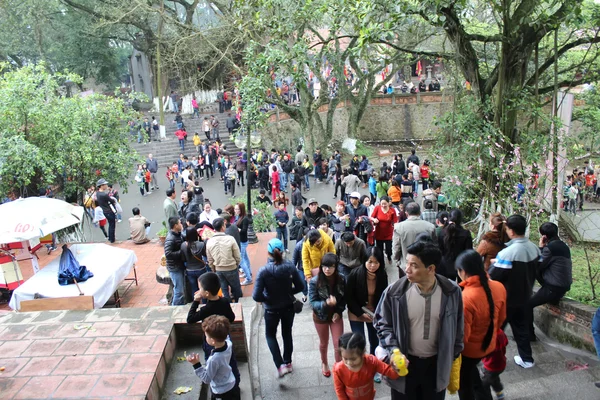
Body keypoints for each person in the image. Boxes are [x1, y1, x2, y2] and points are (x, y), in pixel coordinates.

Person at [374, 240, 464, 400]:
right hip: (405, 364)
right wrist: (393, 351)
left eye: (414, 265)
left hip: (436, 366)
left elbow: (458, 325)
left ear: (430, 269)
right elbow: (381, 323)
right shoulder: (394, 292)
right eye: (407, 263)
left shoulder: (451, 292)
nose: (406, 269)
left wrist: (453, 353)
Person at [455, 250, 507, 400]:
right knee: (472, 375)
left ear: (462, 271)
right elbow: (502, 318)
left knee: (464, 384)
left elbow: (462, 337)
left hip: (470, 351)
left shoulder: (466, 297)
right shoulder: (498, 286)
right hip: (489, 344)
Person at [489, 214, 540, 369]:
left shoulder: (508, 253)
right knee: (522, 330)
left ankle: (486, 359)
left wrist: (495, 264)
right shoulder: (534, 248)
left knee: (494, 330)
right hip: (525, 297)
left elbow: (493, 276)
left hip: (506, 300)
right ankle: (527, 360)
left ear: (510, 231)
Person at [253, 238, 305, 377]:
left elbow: (256, 296)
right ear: (282, 252)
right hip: (288, 306)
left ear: (268, 252)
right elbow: (301, 286)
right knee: (286, 333)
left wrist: (268, 298)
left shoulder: (263, 271)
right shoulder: (290, 267)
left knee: (270, 335)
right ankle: (288, 362)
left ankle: (280, 365)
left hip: (271, 309)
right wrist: (288, 292)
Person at [345, 247, 389, 383]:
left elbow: (384, 296)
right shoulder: (354, 274)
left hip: (373, 313)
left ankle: (373, 367)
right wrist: (360, 313)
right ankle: (361, 366)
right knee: (359, 340)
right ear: (364, 261)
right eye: (370, 262)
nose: (372, 265)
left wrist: (378, 313)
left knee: (374, 340)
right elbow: (349, 297)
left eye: (376, 262)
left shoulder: (382, 275)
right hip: (356, 311)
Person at [529, 222, 572, 341]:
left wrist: (541, 247)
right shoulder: (563, 246)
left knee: (527, 306)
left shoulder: (550, 248)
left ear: (544, 237)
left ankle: (530, 336)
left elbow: (538, 264)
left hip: (553, 287)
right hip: (562, 285)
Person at [309, 252, 346, 378]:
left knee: (338, 343)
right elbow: (312, 302)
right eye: (324, 266)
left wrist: (338, 311)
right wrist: (326, 303)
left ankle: (338, 365)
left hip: (335, 316)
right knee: (324, 342)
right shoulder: (315, 281)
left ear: (336, 267)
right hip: (320, 317)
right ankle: (324, 363)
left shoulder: (341, 279)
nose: (327, 269)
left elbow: (344, 298)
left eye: (330, 266)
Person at [186, 315, 240, 400]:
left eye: (206, 336)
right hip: (231, 383)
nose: (205, 338)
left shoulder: (214, 360)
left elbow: (206, 379)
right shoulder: (228, 343)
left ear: (212, 341)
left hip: (221, 392)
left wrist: (196, 364)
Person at [333, 332, 399, 400]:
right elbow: (339, 390)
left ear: (362, 353)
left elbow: (389, 371)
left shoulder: (372, 362)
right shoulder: (338, 369)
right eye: (345, 358)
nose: (349, 362)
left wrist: (398, 367)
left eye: (353, 359)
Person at [207, 218, 243, 302]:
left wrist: (213, 268)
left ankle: (228, 305)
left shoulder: (210, 241)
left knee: (224, 290)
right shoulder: (230, 239)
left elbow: (210, 259)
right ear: (223, 227)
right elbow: (237, 256)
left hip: (218, 269)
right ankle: (238, 304)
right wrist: (236, 264)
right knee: (236, 288)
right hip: (231, 267)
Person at [392, 202, 435, 271]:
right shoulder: (430, 227)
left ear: (406, 213)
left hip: (406, 266)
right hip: (424, 266)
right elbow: (433, 247)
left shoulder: (399, 227)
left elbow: (396, 247)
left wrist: (397, 261)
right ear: (420, 213)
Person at [437, 209, 473, 281]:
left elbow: (439, 251)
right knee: (461, 289)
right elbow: (468, 252)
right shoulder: (466, 234)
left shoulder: (442, 233)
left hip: (445, 266)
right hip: (461, 266)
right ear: (460, 220)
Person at [481, 328, 508, 400]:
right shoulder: (500, 332)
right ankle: (499, 392)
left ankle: (487, 397)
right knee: (494, 379)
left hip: (491, 366)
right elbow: (506, 342)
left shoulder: (489, 339)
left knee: (484, 384)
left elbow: (485, 353)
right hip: (501, 363)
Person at [181, 227, 208, 296]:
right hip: (201, 268)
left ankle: (196, 302)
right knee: (203, 288)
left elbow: (183, 259)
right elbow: (205, 254)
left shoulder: (183, 245)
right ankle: (204, 303)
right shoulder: (201, 244)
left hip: (189, 269)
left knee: (194, 289)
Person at [164, 216, 185, 306]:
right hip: (175, 268)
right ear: (175, 225)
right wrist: (182, 251)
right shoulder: (170, 238)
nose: (181, 224)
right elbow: (168, 254)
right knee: (179, 291)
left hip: (179, 265)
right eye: (180, 223)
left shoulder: (178, 234)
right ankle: (174, 308)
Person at [371, 196, 397, 263]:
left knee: (389, 248)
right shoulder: (377, 208)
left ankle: (389, 256)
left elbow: (395, 221)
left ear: (388, 203)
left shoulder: (392, 210)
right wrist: (374, 219)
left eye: (385, 203)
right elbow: (371, 217)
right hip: (379, 232)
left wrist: (395, 228)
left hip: (389, 232)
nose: (383, 205)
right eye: (382, 204)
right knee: (380, 249)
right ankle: (381, 262)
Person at [234, 203, 253, 285]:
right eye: (235, 209)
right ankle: (248, 272)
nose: (236, 211)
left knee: (241, 260)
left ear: (241, 209)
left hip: (243, 241)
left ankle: (248, 278)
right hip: (241, 240)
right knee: (245, 257)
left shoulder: (244, 219)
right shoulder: (238, 217)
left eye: (237, 209)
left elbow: (244, 230)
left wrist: (236, 229)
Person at [95, 178, 117, 243]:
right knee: (112, 225)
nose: (106, 186)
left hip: (105, 211)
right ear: (101, 185)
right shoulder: (104, 195)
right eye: (105, 184)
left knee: (110, 225)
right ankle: (112, 239)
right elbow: (111, 200)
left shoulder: (98, 193)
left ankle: (110, 238)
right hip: (109, 211)